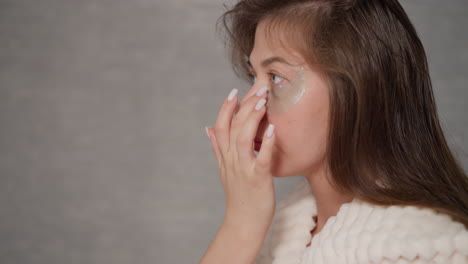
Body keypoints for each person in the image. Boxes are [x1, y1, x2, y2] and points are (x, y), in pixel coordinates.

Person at [200, 0, 468, 263]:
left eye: (276, 77)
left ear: (358, 87)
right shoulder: (285, 228)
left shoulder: (417, 251)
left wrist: (242, 226)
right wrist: (241, 225)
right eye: (253, 77)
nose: (251, 106)